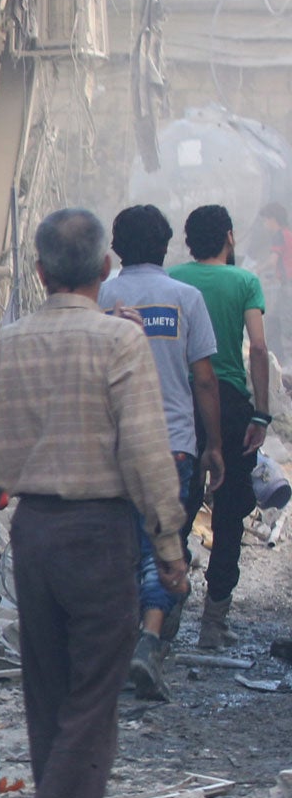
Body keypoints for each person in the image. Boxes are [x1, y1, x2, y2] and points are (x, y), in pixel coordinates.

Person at [0, 209, 186, 798]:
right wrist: (169, 544)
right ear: (106, 269)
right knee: (93, 702)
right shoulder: (119, 342)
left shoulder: (4, 346)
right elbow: (147, 454)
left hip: (34, 533)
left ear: (42, 271)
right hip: (100, 534)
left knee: (50, 695)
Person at [97, 204, 222, 696]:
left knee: (124, 547)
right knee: (161, 545)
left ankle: (123, 644)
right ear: (166, 246)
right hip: (172, 445)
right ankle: (149, 638)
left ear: (116, 249)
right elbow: (206, 380)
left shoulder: (100, 298)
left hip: (112, 447)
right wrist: (213, 445)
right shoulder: (185, 298)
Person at [169, 203, 274, 649]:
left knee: (178, 506)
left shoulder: (173, 278)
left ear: (189, 241)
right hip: (229, 402)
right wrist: (261, 413)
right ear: (229, 237)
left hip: (179, 400)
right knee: (230, 508)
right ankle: (214, 622)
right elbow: (257, 348)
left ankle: (164, 617)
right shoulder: (245, 282)